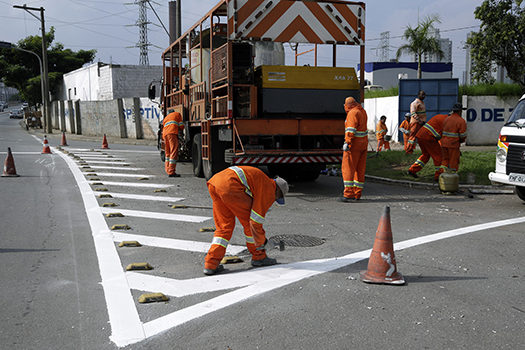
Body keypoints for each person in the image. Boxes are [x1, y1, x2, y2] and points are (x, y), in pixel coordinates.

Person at [203, 166, 289, 275]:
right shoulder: (269, 189)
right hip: (230, 185)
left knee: (224, 228)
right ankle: (259, 257)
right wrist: (264, 243)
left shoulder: (262, 179)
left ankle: (211, 264)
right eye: (277, 197)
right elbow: (255, 222)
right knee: (250, 225)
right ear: (278, 191)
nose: (274, 199)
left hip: (215, 183)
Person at [341, 96, 368, 202]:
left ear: (348, 105)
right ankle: (357, 194)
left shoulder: (352, 113)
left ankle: (348, 194)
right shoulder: (362, 111)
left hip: (354, 145)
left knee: (348, 168)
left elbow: (351, 129)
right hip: (363, 144)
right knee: (360, 170)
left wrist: (347, 142)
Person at [407, 113, 449, 181]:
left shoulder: (440, 117)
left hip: (420, 135)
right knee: (438, 156)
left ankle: (412, 170)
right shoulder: (448, 122)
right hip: (429, 138)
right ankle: (438, 176)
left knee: (425, 155)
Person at [441, 103, 467, 172]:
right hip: (453, 145)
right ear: (460, 111)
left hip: (444, 144)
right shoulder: (461, 121)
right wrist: (460, 141)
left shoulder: (446, 119)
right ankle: (452, 178)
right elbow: (463, 136)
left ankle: (441, 175)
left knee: (445, 161)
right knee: (453, 162)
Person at [162, 109, 184, 177]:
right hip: (172, 133)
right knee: (174, 151)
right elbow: (181, 126)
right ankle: (171, 171)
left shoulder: (166, 118)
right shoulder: (177, 114)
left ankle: (168, 169)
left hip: (165, 135)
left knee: (168, 152)